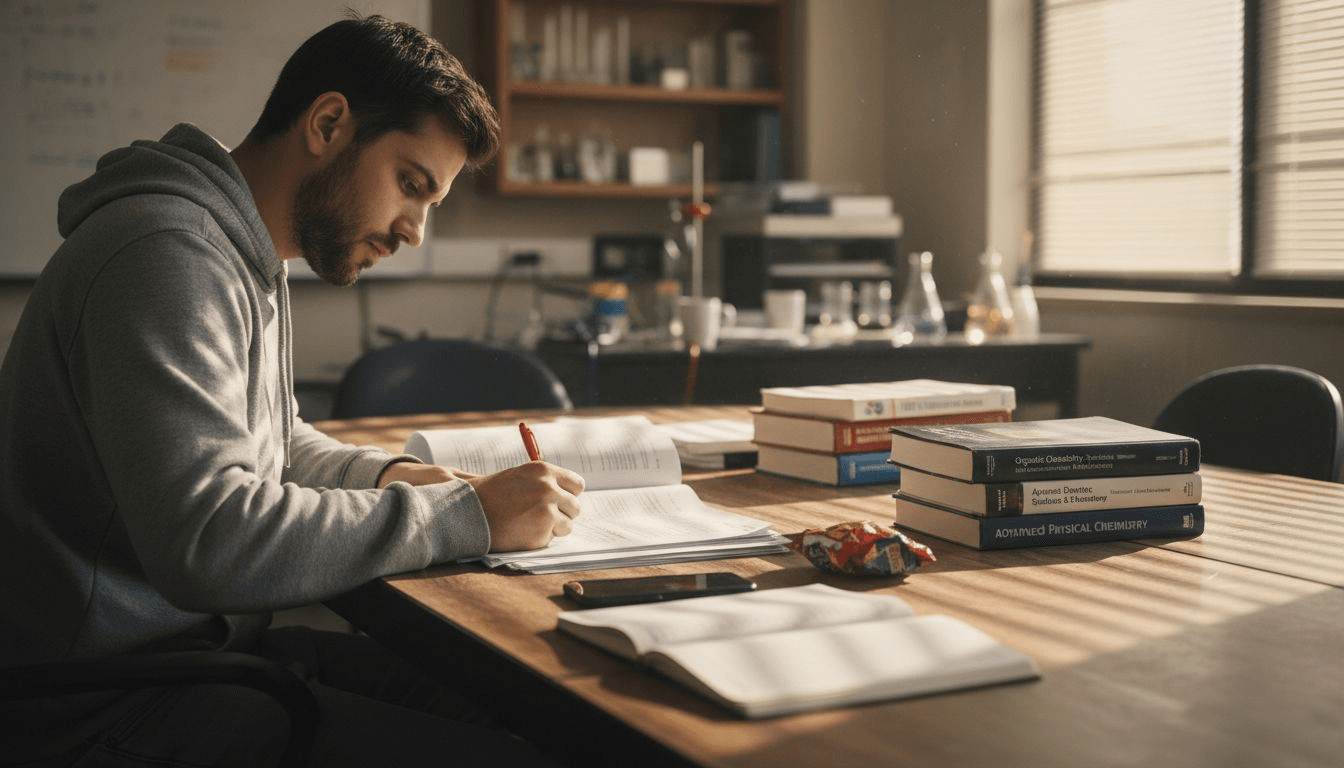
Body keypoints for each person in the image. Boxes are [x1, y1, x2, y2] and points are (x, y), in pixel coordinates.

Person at [0, 13, 584, 767]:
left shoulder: (239, 252)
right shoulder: (166, 253)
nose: (414, 231)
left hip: (193, 659)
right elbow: (211, 540)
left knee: (521, 703)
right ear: (330, 123)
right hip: (107, 703)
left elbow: (270, 441)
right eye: (411, 184)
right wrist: (461, 516)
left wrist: (388, 476)